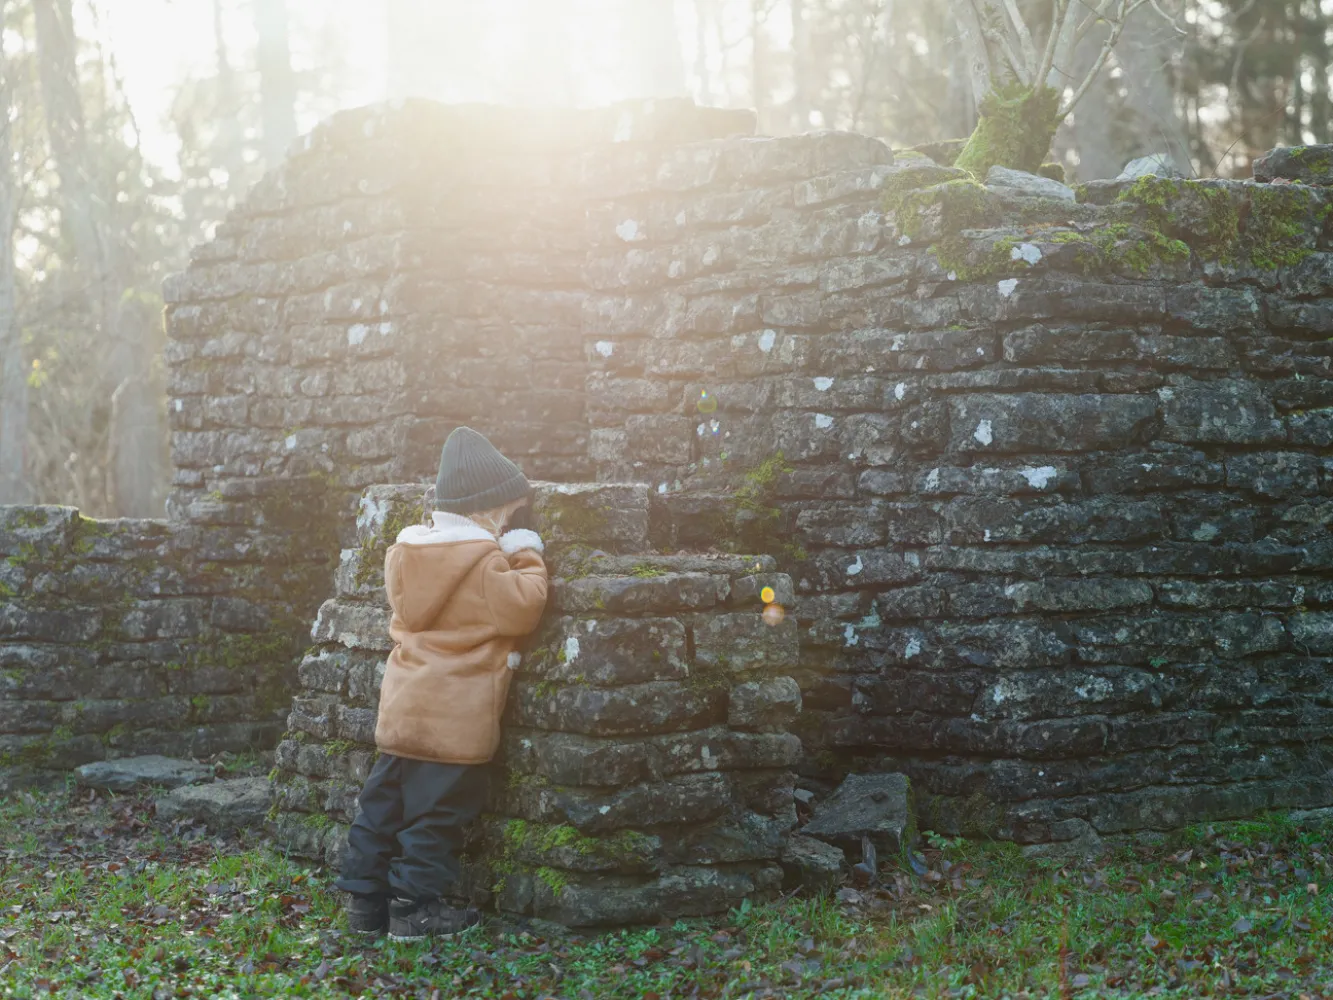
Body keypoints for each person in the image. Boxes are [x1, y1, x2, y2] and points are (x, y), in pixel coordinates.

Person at [335, 426, 549, 940]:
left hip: (403, 712)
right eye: (506, 513)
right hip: (454, 721)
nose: (508, 521)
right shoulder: (485, 564)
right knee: (434, 817)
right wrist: (526, 551)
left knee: (380, 809)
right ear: (488, 510)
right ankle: (413, 910)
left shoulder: (407, 556)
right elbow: (526, 607)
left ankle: (364, 905)